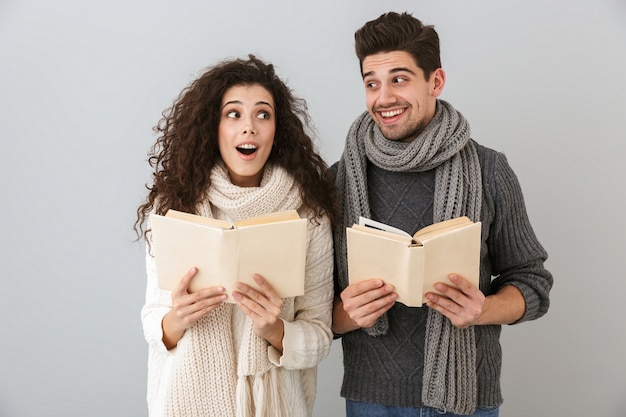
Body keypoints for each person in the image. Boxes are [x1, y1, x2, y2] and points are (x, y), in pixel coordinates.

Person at [331, 12, 553, 417]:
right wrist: (346, 315)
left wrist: (482, 309)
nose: (383, 98)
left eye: (399, 79)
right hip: (371, 399)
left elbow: (533, 284)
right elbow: (310, 310)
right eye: (371, 83)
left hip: (467, 398)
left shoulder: (490, 170)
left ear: (435, 81)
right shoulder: (341, 179)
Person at [134, 55, 337, 417]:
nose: (249, 128)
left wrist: (275, 328)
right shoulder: (174, 207)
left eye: (263, 114)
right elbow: (154, 321)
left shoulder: (309, 216)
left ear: (278, 130)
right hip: (185, 403)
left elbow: (319, 335)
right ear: (214, 126)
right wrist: (177, 319)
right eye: (234, 114)